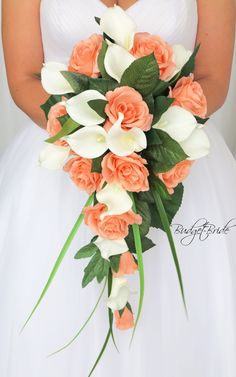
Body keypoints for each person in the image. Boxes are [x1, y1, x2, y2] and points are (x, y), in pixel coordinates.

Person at [1, 1, 236, 376]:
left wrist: (146, 136)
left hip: (175, 157)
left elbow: (214, 78)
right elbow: (23, 77)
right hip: (61, 164)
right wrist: (90, 136)